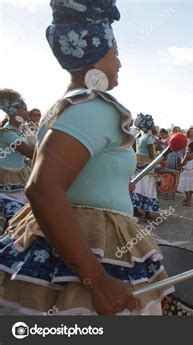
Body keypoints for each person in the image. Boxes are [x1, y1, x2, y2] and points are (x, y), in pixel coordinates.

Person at [0, 1, 173, 315]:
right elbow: (42, 187)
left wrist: (117, 186)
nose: (119, 63)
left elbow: (72, 175)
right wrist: (96, 279)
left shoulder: (63, 106)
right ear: (94, 57)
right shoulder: (96, 107)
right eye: (115, 53)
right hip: (90, 246)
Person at [0, 89, 34, 229]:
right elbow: (29, 153)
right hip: (7, 186)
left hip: (16, 184)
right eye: (24, 109)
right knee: (17, 221)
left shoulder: (18, 131)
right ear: (15, 112)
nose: (27, 112)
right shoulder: (8, 133)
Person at [131, 113, 159, 222]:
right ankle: (147, 215)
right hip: (147, 168)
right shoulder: (149, 138)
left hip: (137, 166)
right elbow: (152, 155)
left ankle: (135, 211)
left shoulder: (138, 136)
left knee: (137, 188)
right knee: (148, 189)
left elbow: (134, 150)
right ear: (148, 125)